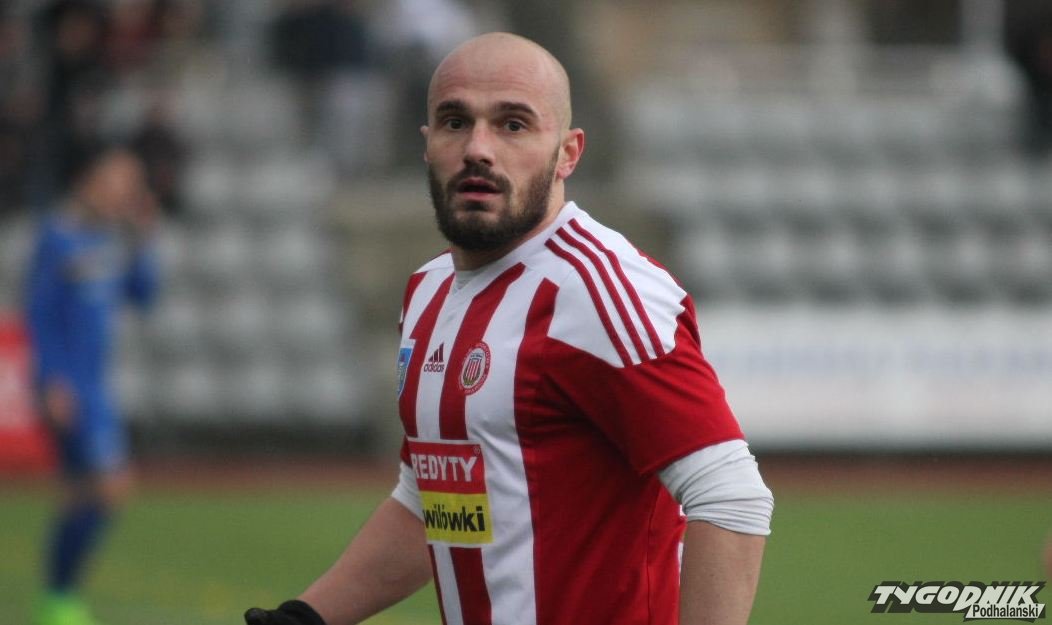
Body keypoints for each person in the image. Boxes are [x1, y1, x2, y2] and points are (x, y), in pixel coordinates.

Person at [245, 32, 773, 625]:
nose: (478, 148)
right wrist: (307, 616)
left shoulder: (599, 291)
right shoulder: (429, 291)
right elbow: (433, 499)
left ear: (568, 153)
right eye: (455, 122)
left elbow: (730, 496)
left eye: (513, 125)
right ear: (427, 143)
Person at [26, 146, 159, 625]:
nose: (128, 192)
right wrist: (51, 379)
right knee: (109, 487)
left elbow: (143, 295)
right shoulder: (58, 237)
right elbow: (40, 313)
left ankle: (57, 599)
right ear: (91, 180)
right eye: (121, 181)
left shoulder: (109, 241)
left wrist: (144, 239)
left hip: (95, 384)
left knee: (81, 493)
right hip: (71, 385)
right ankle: (60, 596)